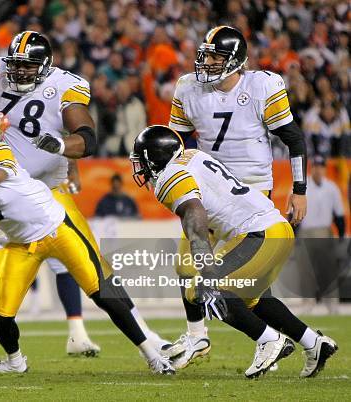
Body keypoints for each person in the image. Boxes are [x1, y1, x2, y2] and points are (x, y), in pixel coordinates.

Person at [0, 31, 172, 369]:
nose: (19, 72)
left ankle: (147, 335)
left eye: (28, 66)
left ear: (44, 66)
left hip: (49, 192)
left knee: (96, 269)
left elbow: (86, 137)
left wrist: (61, 147)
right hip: (1, 191)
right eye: (16, 65)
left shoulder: (65, 86)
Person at [0, 122, 175, 374]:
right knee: (3, 318)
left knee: (103, 294)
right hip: (20, 245)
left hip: (56, 229)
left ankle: (151, 355)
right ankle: (16, 363)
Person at [130, 125, 337, 378]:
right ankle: (314, 343)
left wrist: (207, 269)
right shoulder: (194, 156)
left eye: (141, 161)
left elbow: (195, 214)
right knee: (252, 301)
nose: (139, 168)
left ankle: (269, 340)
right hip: (275, 229)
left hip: (258, 234)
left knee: (203, 289)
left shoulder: (168, 178)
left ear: (154, 158)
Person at [167, 26, 309, 367]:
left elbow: (294, 139)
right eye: (207, 54)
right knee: (187, 265)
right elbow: (180, 144)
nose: (208, 62)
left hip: (251, 193)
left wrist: (300, 190)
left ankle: (283, 343)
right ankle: (198, 335)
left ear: (235, 61)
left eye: (216, 56)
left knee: (245, 285)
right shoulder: (188, 87)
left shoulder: (261, 86)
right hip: (208, 192)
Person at [298, 155, 346, 313]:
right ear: (312, 168)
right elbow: (293, 215)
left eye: (321, 167)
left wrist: (340, 237)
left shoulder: (331, 187)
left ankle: (332, 305)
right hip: (306, 231)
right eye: (316, 167)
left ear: (325, 169)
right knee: (306, 270)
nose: (318, 170)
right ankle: (308, 303)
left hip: (325, 231)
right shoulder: (302, 187)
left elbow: (339, 215)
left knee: (328, 270)